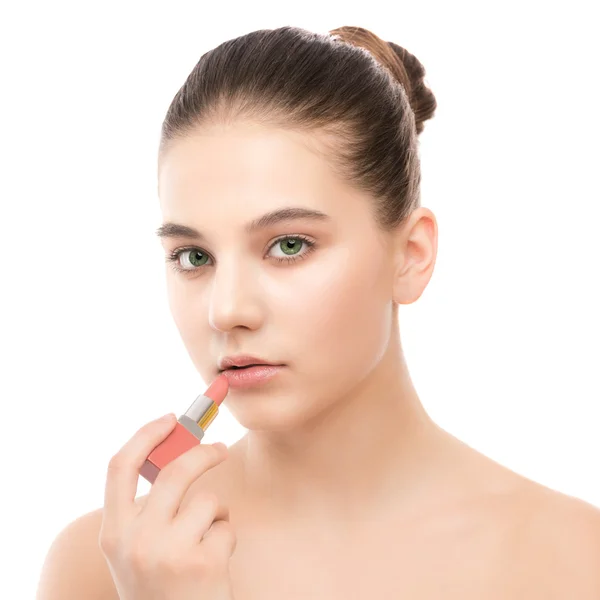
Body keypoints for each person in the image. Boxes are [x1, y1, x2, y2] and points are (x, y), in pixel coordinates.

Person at [37, 25, 600, 599]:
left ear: (410, 255)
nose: (226, 310)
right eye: (193, 256)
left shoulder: (574, 559)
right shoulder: (104, 566)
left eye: (288, 245)